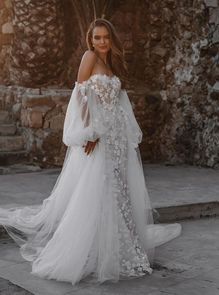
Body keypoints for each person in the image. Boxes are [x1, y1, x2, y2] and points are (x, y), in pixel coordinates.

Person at [0, 18, 181, 285]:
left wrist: (123, 132)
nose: (102, 42)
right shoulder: (89, 57)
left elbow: (117, 101)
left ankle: (123, 246)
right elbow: (81, 97)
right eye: (97, 37)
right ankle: (95, 250)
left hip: (117, 134)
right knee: (101, 186)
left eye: (106, 37)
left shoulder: (112, 62)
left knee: (119, 187)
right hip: (100, 134)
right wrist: (90, 131)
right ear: (90, 40)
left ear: (111, 38)